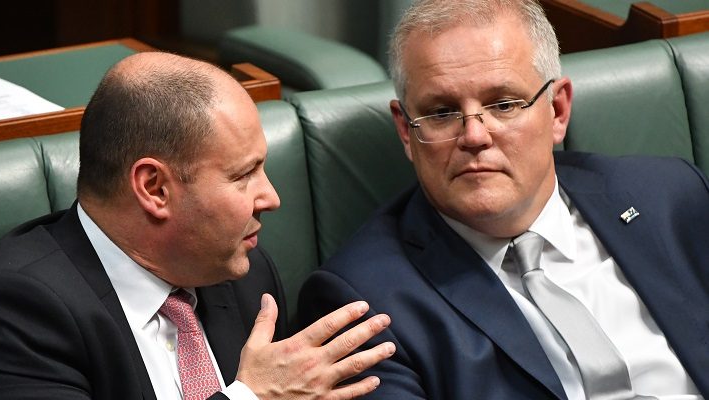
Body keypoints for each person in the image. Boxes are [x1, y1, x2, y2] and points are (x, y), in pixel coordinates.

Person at [298, 0, 708, 399]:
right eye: (442, 112)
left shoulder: (668, 196)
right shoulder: (361, 303)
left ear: (558, 111)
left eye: (504, 104)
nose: (474, 136)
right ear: (407, 131)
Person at [0, 52, 396, 400]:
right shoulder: (15, 310)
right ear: (154, 188)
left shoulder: (242, 272)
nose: (271, 198)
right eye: (243, 175)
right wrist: (251, 398)